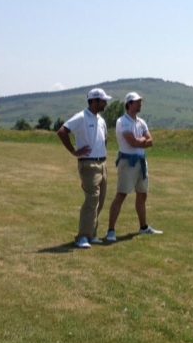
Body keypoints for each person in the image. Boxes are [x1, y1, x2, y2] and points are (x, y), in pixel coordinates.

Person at [57, 88, 112, 249]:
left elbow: (105, 138)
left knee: (100, 200)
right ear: (94, 101)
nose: (105, 103)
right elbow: (62, 131)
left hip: (102, 163)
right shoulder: (81, 117)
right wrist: (74, 151)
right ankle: (82, 236)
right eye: (103, 101)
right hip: (88, 163)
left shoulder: (100, 119)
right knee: (91, 199)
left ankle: (91, 234)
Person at [105, 92, 161, 241]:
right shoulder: (122, 121)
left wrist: (140, 139)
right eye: (137, 102)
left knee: (142, 195)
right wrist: (143, 140)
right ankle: (111, 230)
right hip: (127, 162)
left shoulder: (141, 122)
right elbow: (132, 142)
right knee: (121, 195)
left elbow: (151, 141)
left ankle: (143, 227)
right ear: (129, 104)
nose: (140, 104)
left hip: (141, 161)